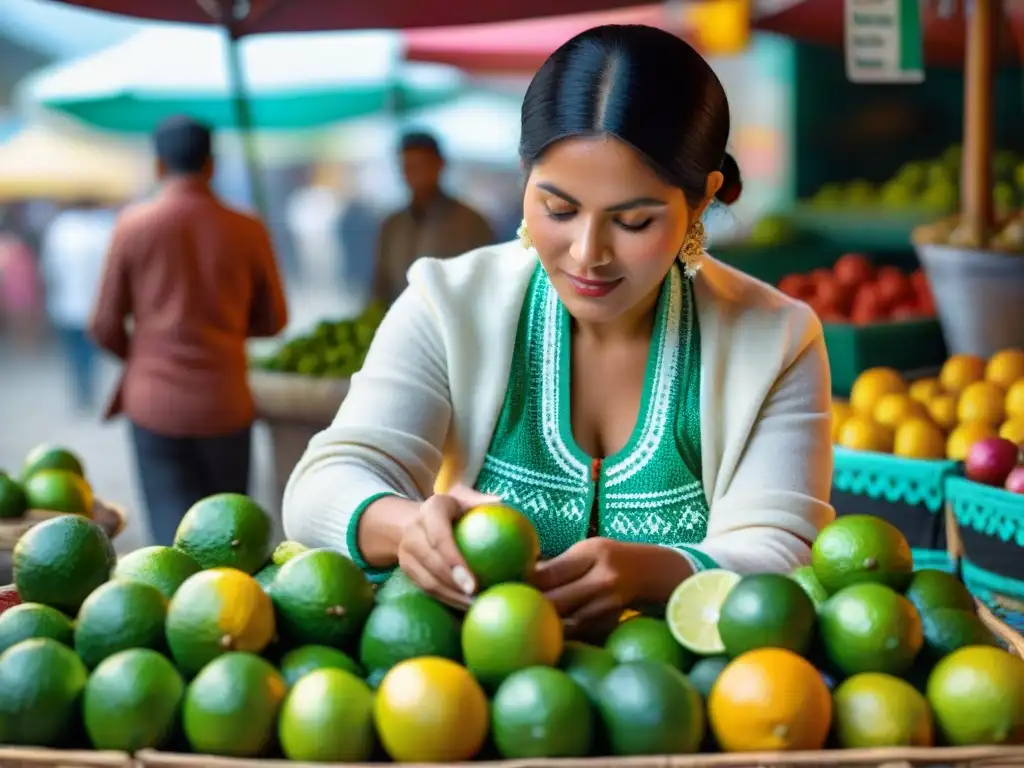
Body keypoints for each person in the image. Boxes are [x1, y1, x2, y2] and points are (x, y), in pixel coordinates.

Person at [283, 26, 834, 633]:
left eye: (633, 221)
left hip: (683, 708)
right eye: (559, 209)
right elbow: (321, 487)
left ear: (700, 202)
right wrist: (407, 526)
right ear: (526, 178)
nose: (586, 253)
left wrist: (653, 573)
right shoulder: (448, 304)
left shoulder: (778, 339)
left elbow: (787, 549)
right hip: (475, 698)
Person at [90, 115, 288, 546]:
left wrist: (146, 357)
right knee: (228, 537)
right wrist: (229, 332)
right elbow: (274, 320)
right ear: (212, 165)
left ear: (158, 166)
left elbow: (104, 324)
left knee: (169, 540)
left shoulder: (134, 225)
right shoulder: (247, 227)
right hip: (226, 401)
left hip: (153, 403)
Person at [371, 131, 494, 304]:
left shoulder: (470, 224)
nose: (414, 175)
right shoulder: (392, 225)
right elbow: (381, 286)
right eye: (408, 168)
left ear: (440, 165)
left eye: (421, 166)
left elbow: (486, 286)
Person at [38, 199, 116, 412]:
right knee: (89, 353)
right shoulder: (103, 227)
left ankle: (81, 394)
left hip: (66, 304)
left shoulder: (61, 228)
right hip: (93, 305)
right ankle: (87, 392)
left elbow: (49, 268)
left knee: (74, 354)